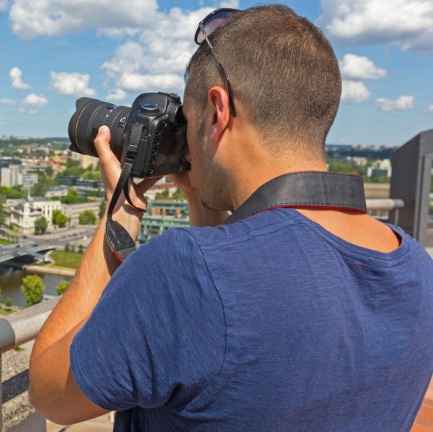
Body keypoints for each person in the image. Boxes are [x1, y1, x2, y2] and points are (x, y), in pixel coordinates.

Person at [29, 4, 433, 432]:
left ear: (218, 111)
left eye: (188, 119)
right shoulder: (415, 268)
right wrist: (205, 206)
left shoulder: (182, 271)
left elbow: (49, 392)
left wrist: (122, 209)